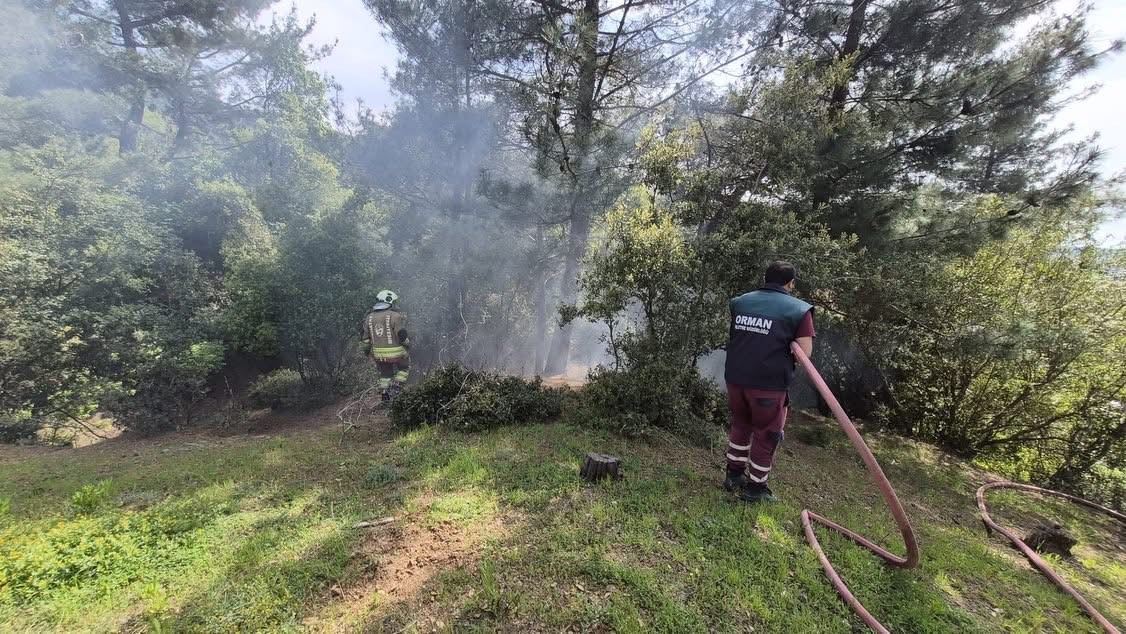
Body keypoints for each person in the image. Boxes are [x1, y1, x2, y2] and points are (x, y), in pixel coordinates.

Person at [723, 261, 815, 502]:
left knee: (741, 425)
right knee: (767, 434)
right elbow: (803, 354)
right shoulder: (799, 310)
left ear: (765, 278)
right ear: (791, 283)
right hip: (768, 386)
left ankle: (733, 476)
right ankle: (755, 489)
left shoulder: (740, 302)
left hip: (735, 379)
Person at [361, 290, 410, 401]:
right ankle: (397, 387)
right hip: (396, 353)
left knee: (385, 374)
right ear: (390, 301)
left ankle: (385, 395)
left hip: (379, 354)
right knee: (404, 367)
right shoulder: (395, 316)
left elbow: (365, 340)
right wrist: (408, 344)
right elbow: (401, 336)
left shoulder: (369, 318)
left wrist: (367, 353)